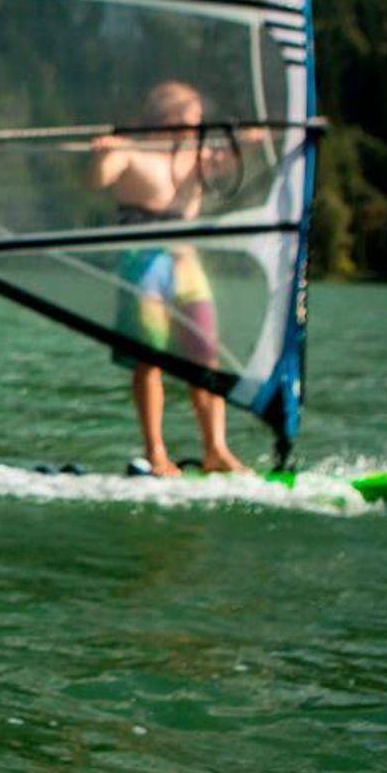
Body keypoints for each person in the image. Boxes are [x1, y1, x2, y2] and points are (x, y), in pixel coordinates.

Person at [90, 79, 249, 476]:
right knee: (150, 358)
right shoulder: (130, 151)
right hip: (142, 262)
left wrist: (251, 141)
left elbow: (234, 161)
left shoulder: (199, 157)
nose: (198, 127)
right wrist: (103, 153)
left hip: (186, 264)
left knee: (206, 357)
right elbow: (98, 180)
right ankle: (156, 452)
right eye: (192, 119)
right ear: (169, 118)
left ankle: (217, 450)